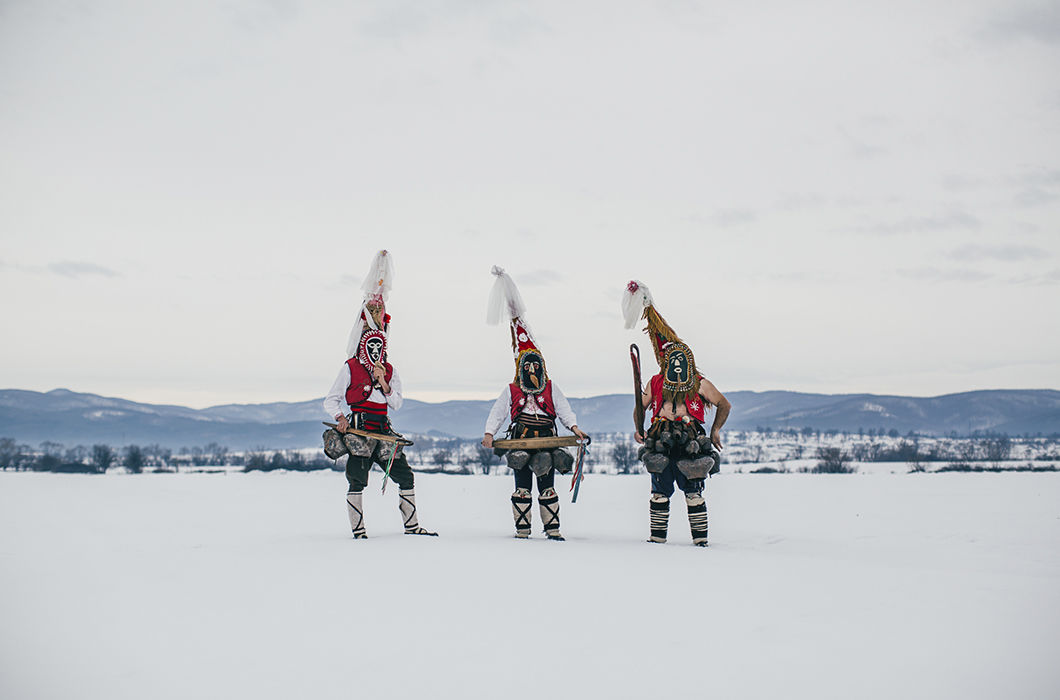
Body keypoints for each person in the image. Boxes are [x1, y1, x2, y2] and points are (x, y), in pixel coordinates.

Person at [321, 250, 436, 539]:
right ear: (364, 344)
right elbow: (330, 399)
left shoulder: (390, 369)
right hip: (359, 429)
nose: (374, 352)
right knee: (357, 479)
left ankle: (412, 527)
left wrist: (383, 383)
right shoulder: (349, 367)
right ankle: (358, 531)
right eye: (370, 346)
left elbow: (396, 402)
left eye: (378, 347)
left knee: (405, 476)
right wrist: (339, 417)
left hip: (383, 429)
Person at [481, 267, 588, 540]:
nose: (531, 370)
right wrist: (490, 432)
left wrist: (575, 428)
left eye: (534, 365)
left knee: (547, 486)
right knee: (522, 488)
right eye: (526, 366)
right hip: (521, 439)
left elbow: (563, 410)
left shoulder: (551, 388)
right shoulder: (512, 390)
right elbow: (498, 412)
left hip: (546, 440)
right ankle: (523, 530)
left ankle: (553, 530)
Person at [622, 280, 731, 546]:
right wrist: (640, 427)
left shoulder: (699, 382)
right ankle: (657, 540)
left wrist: (715, 430)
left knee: (693, 493)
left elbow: (724, 404)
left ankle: (700, 541)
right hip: (660, 438)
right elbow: (642, 406)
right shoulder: (656, 382)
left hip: (690, 441)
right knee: (659, 493)